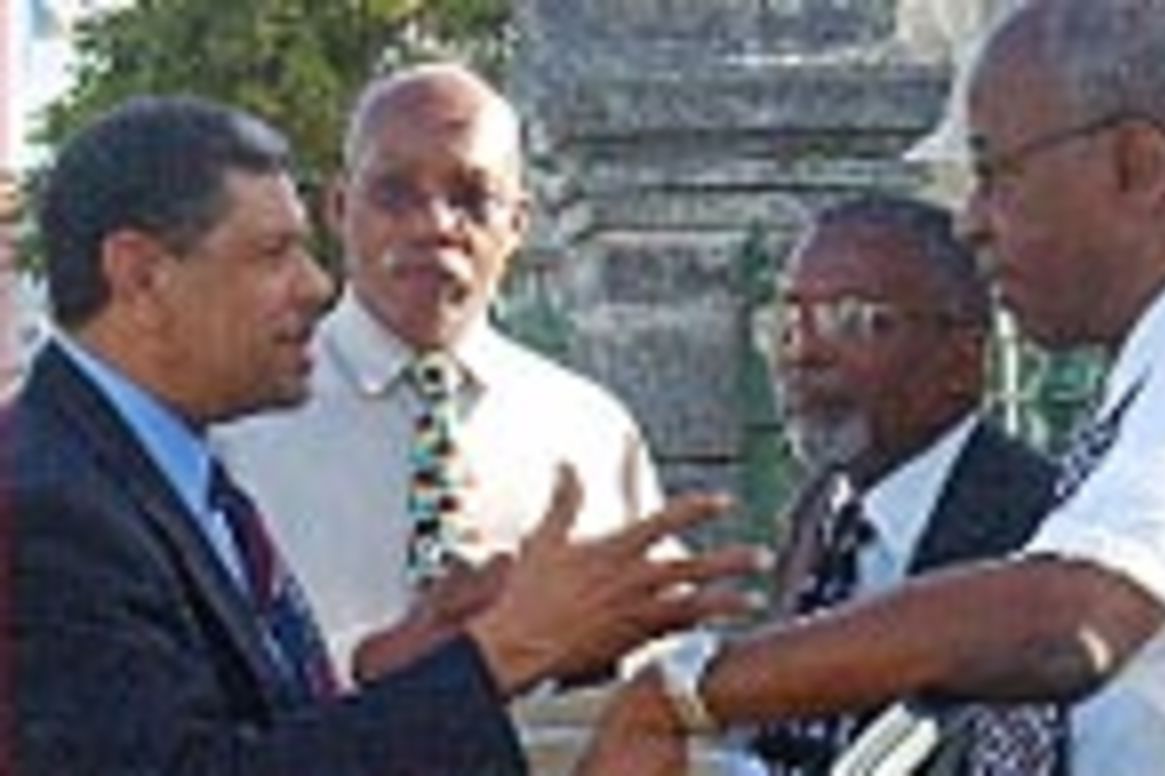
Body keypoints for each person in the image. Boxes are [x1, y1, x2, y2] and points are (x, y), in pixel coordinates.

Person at [578, 1, 1165, 774]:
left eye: (991, 173)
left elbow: (1076, 620)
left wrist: (695, 687)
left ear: (1135, 164)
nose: (972, 224)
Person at [8, 95, 763, 775]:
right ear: (140, 276)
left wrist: (409, 664)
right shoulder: (43, 509)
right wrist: (507, 649)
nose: (316, 284)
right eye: (273, 255)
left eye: (472, 196)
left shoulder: (164, 468)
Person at [214, 62, 671, 682]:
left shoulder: (589, 432)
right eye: (394, 193)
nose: (432, 225)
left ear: (518, 224)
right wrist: (376, 662)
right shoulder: (237, 420)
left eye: (471, 197)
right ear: (341, 207)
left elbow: (653, 664)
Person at [744, 195, 1057, 773]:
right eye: (789, 321)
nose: (804, 352)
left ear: (962, 362)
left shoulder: (1036, 530)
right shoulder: (822, 510)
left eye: (855, 320)